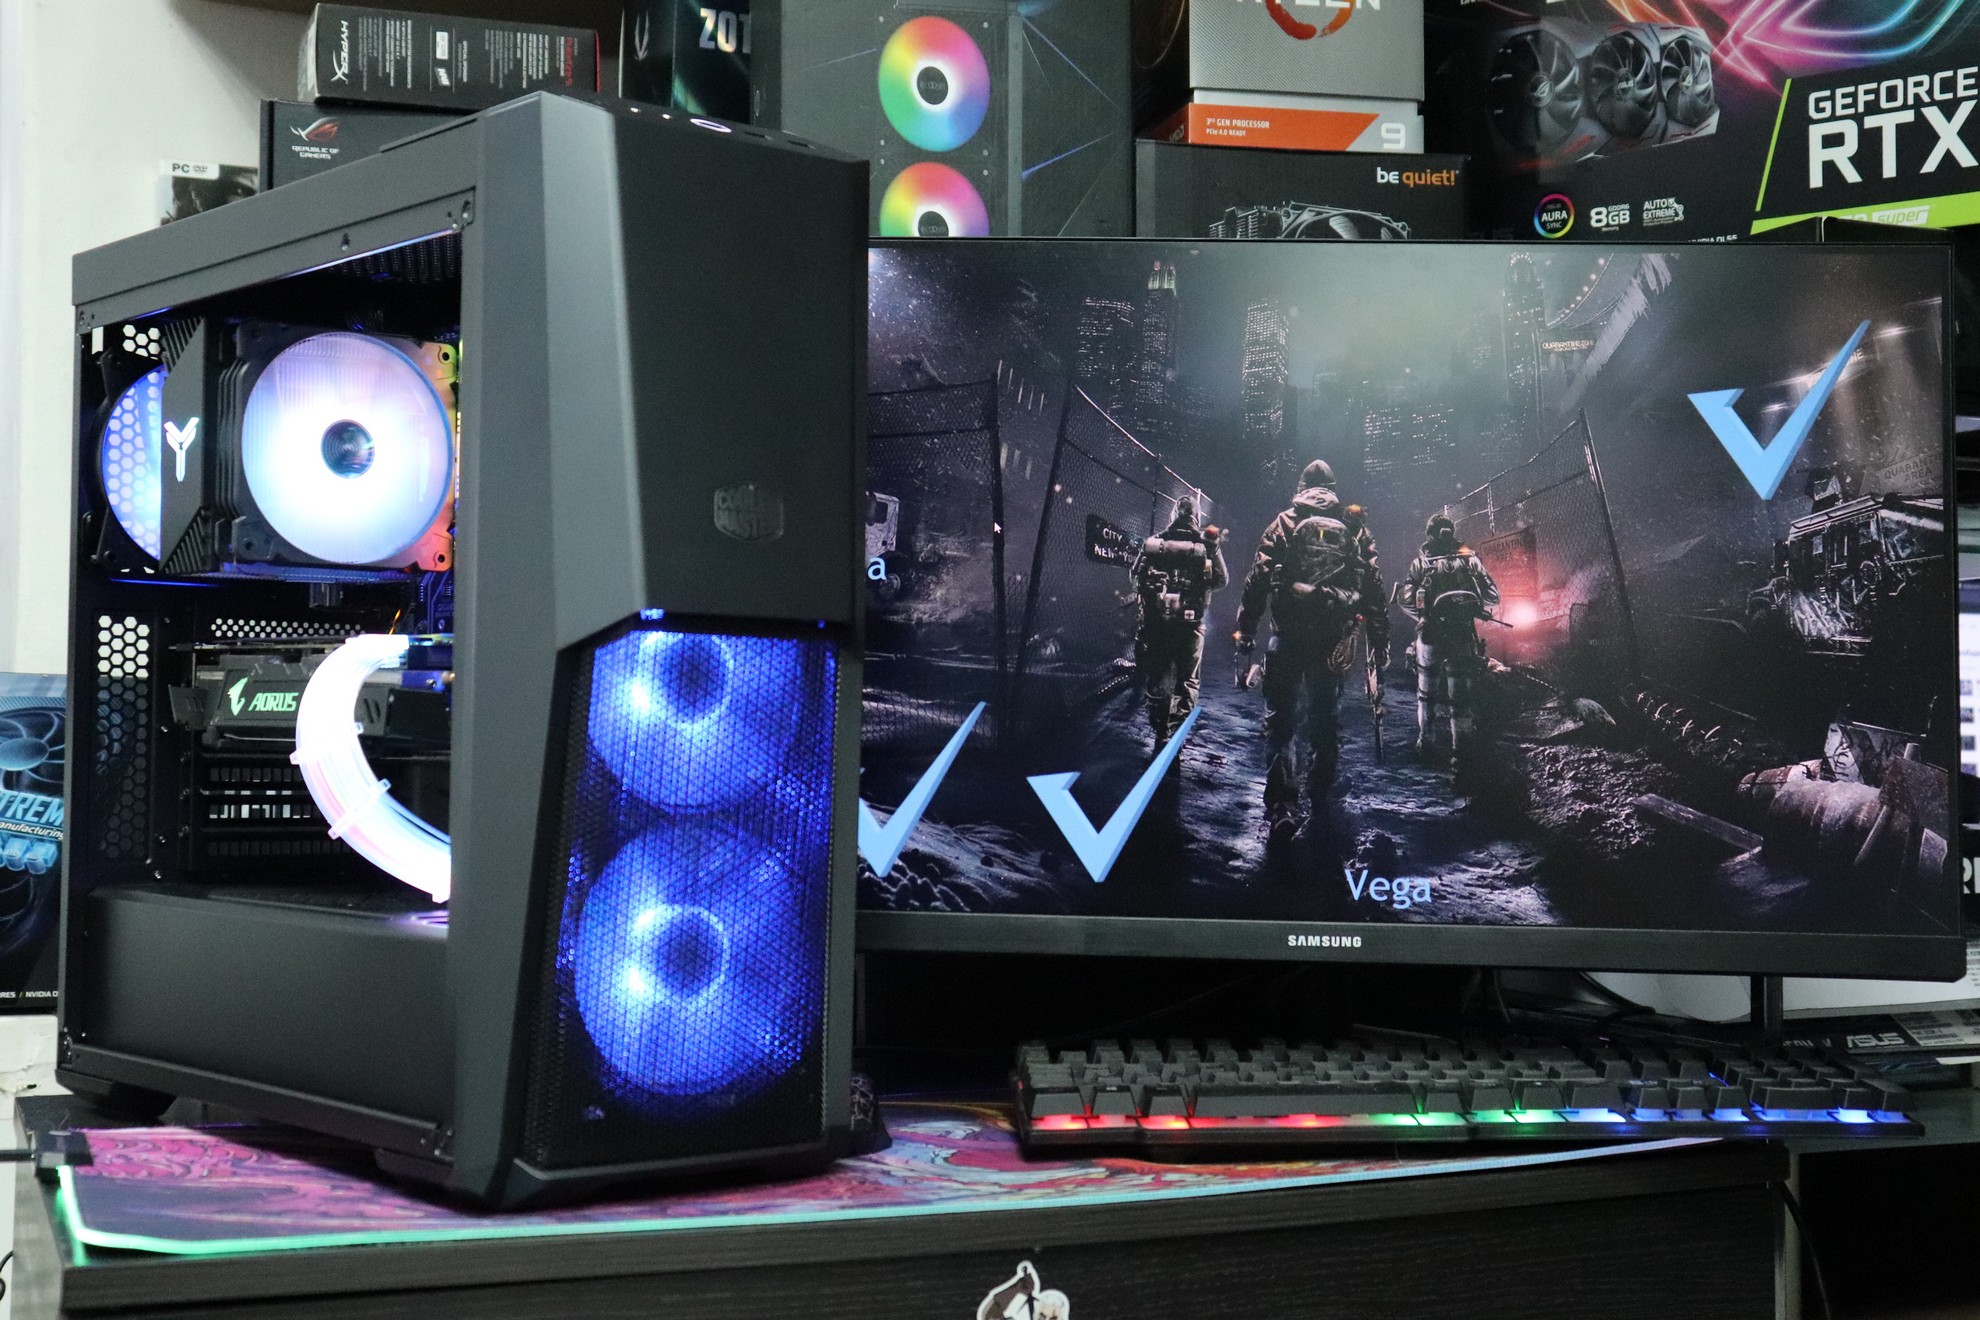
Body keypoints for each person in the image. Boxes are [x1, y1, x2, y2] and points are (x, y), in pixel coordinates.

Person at [1233, 460, 1389, 837]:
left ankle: (1282, 807)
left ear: (1301, 488)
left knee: (1281, 721)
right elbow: (1373, 586)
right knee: (1325, 719)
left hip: (1287, 636)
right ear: (1333, 489)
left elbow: (1258, 579)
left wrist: (1247, 630)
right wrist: (1379, 641)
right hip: (1333, 639)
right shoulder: (1355, 527)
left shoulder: (1284, 522)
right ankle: (1319, 799)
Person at [1399, 513, 1500, 768]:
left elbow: (1406, 599)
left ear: (1429, 534)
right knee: (1461, 699)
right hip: (1462, 635)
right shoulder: (1470, 560)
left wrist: (1424, 617)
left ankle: (1426, 742)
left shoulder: (1421, 562)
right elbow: (1492, 596)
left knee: (1426, 693)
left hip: (1430, 636)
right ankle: (1461, 754)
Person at [1131, 498, 1228, 741]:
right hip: (1191, 624)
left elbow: (1135, 577)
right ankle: (1175, 735)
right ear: (1196, 516)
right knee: (1187, 681)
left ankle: (1159, 728)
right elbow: (1221, 580)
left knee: (1158, 675)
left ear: (1174, 514)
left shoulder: (1156, 542)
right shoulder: (1205, 544)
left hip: (1158, 622)